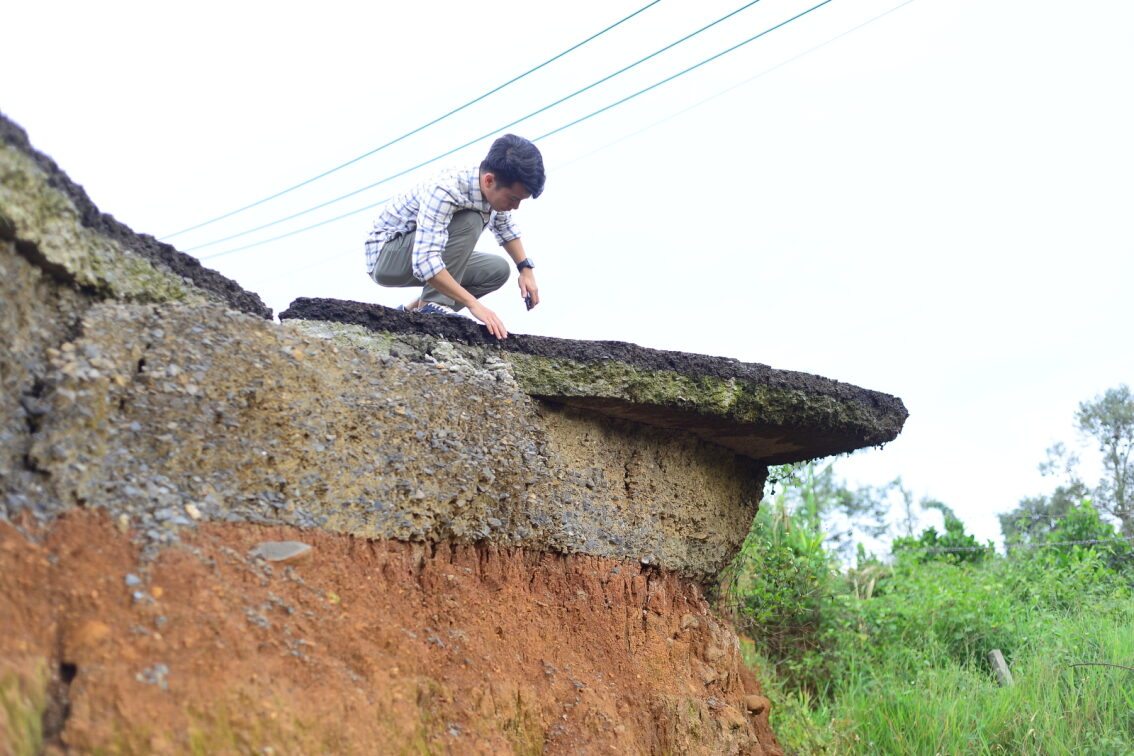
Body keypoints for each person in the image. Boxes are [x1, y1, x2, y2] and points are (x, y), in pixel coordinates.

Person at [364, 134, 545, 340]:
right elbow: (425, 261)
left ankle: (412, 311)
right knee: (470, 220)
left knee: (497, 270)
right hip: (387, 255)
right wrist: (473, 305)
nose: (516, 206)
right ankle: (433, 307)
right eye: (513, 198)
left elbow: (504, 227)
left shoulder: (491, 190)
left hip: (421, 255)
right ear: (489, 180)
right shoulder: (446, 189)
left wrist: (525, 269)